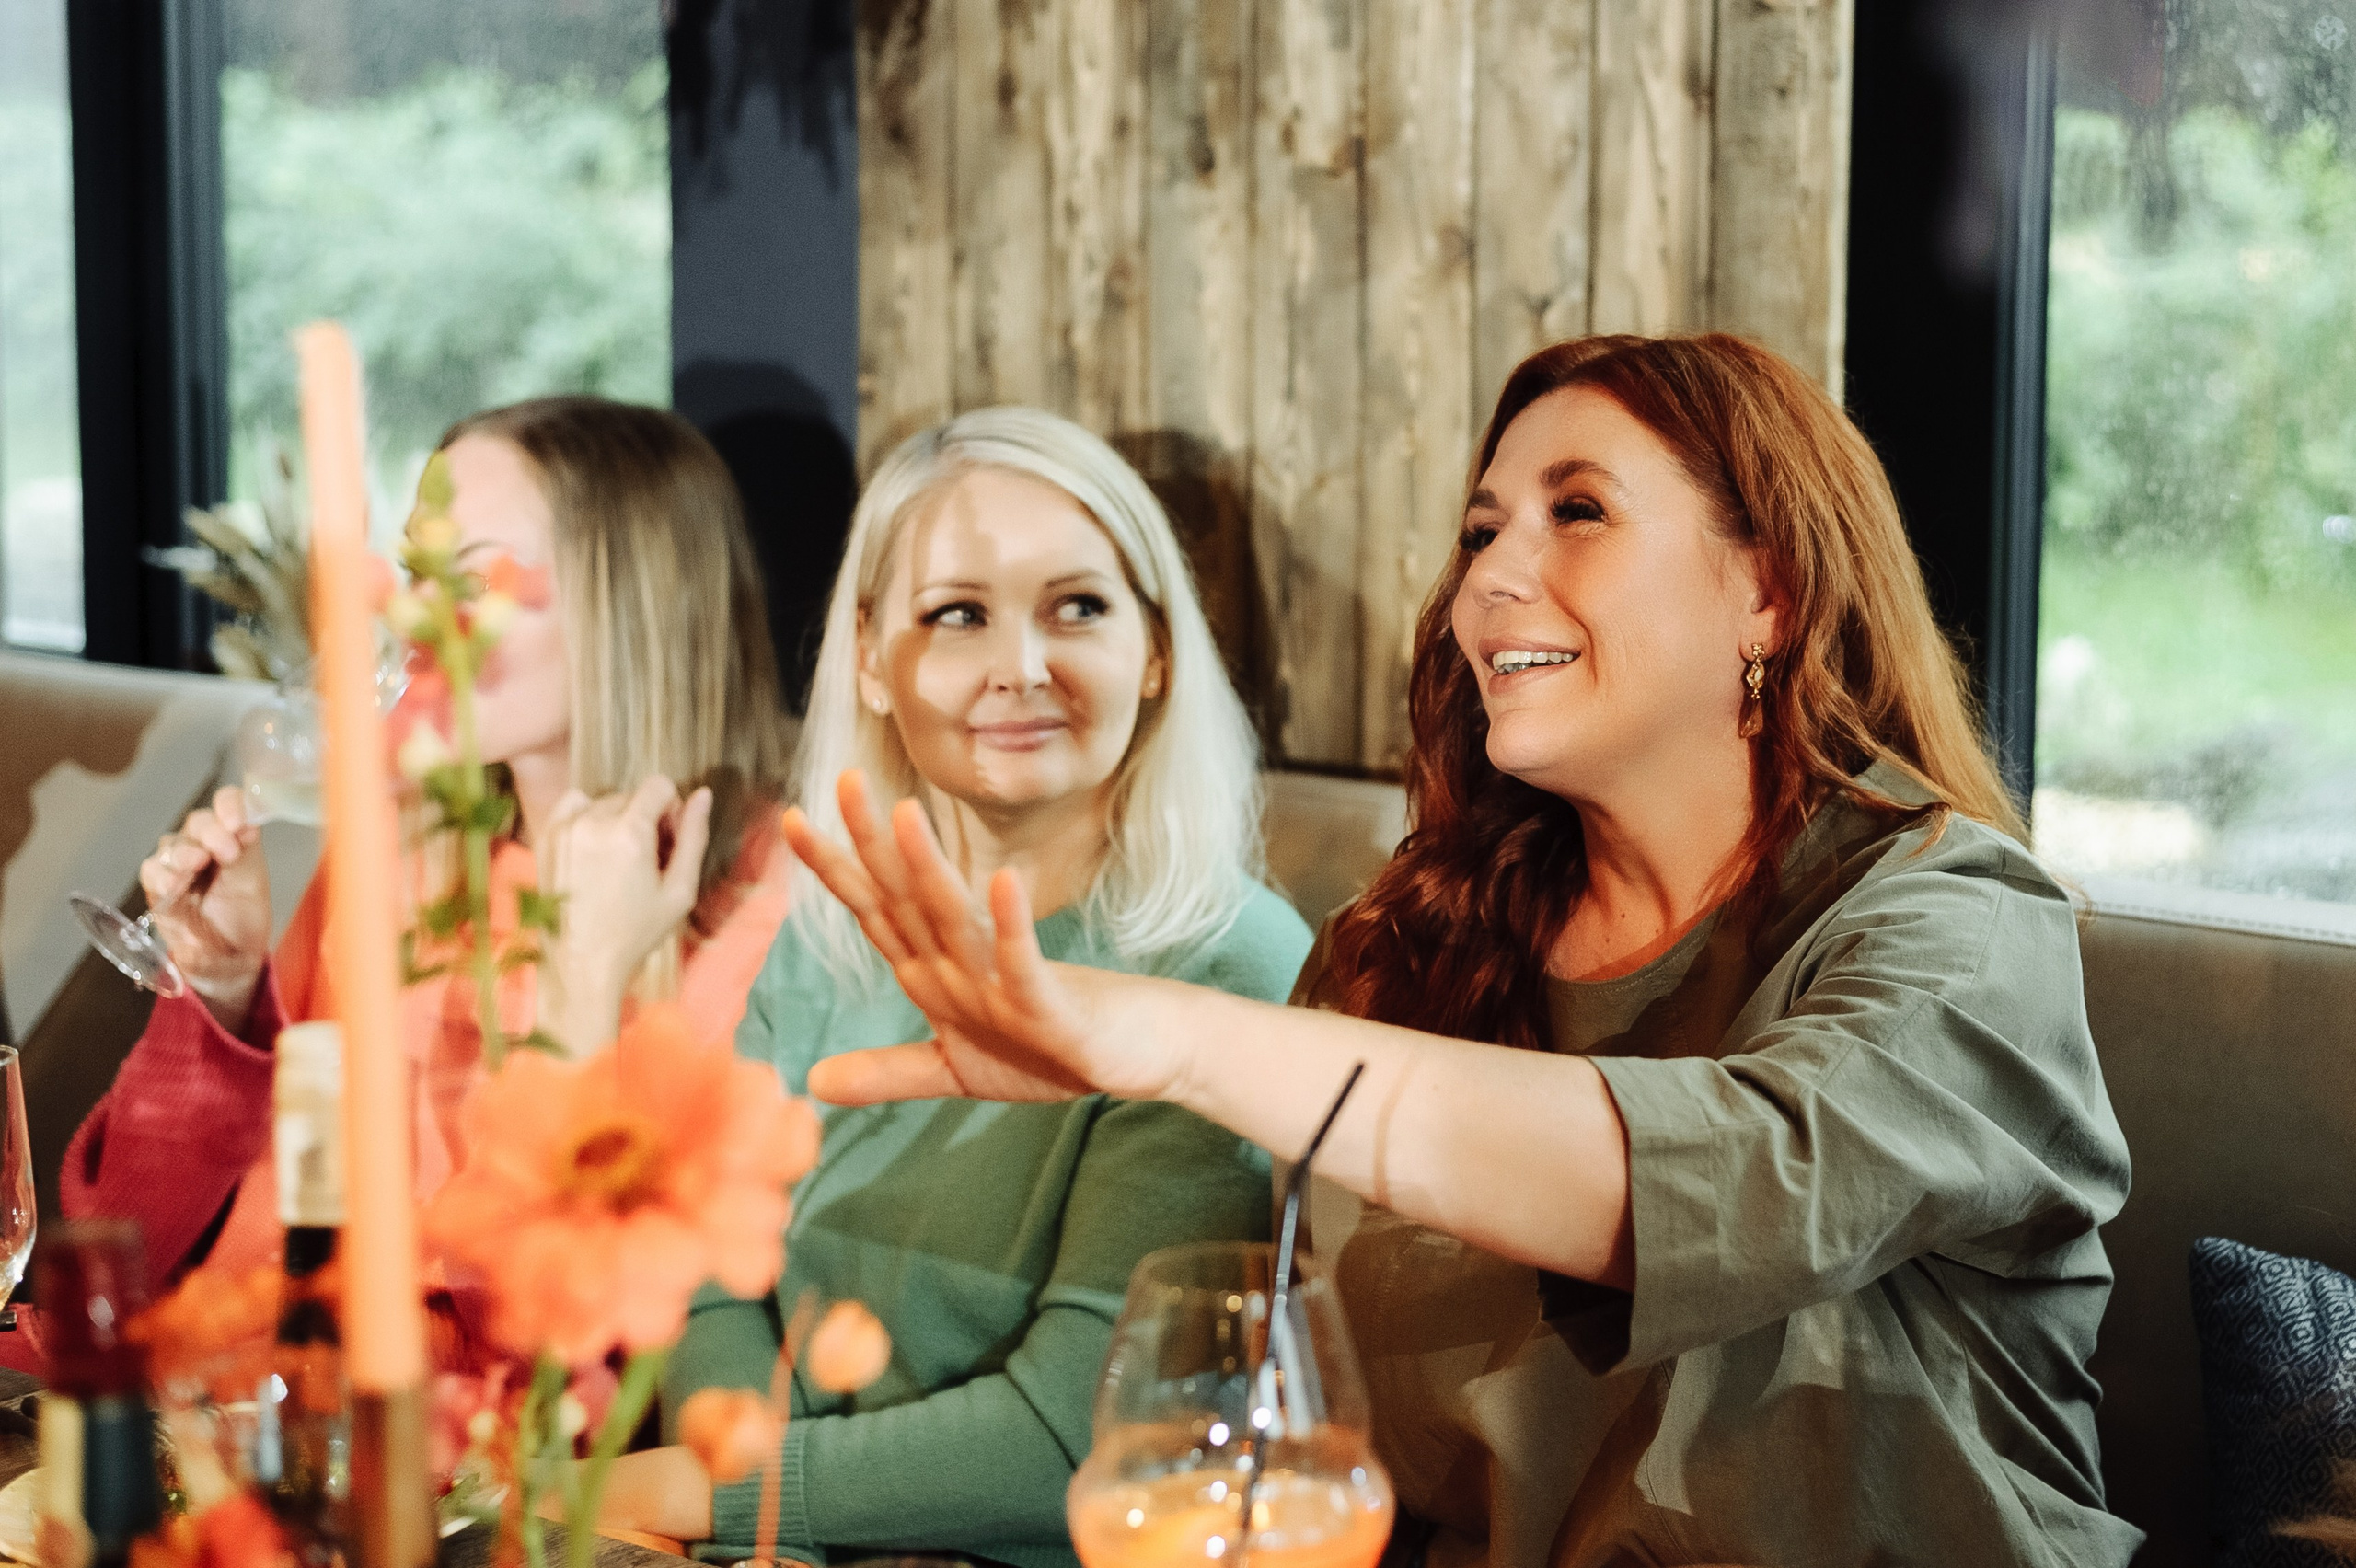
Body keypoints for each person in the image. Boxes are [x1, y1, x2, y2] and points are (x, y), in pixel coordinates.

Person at [783, 338, 2142, 1568]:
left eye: (1580, 513)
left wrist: (1171, 1039)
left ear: (1769, 596)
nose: (1490, 574)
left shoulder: (1962, 928)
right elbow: (1313, 1444)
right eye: (1483, 528)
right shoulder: (1408, 954)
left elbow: (1723, 1175)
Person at [592, 407, 1313, 1568]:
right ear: (871, 659)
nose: (1020, 668)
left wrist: (712, 1498)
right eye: (957, 615)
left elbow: (1068, 1439)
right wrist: (760, 1532)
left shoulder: (1230, 967)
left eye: (1078, 607)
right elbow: (711, 1271)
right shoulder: (830, 926)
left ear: (1158, 647)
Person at [59, 396, 794, 1293]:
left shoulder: (770, 902)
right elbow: (124, 1241)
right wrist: (221, 999)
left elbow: (572, 1330)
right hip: (244, 1388)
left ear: (635, 609)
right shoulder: (400, 838)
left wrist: (584, 985)